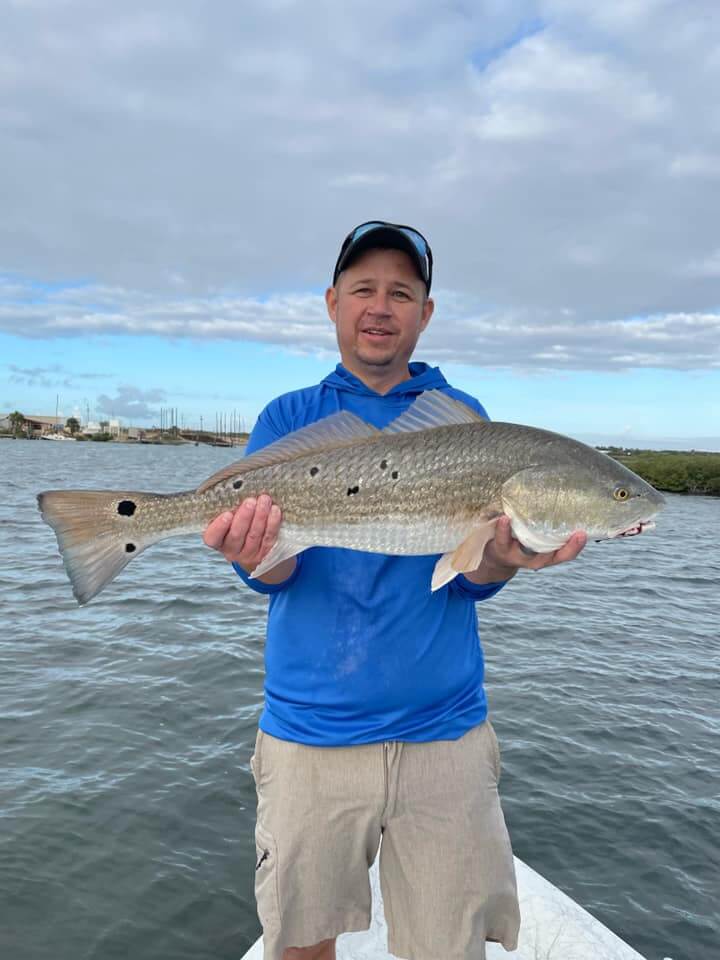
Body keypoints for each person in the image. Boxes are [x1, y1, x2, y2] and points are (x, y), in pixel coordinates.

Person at [203, 221, 586, 960]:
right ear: (332, 303)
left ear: (426, 313)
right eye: (364, 289)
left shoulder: (466, 422)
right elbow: (272, 576)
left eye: (401, 292)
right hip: (310, 734)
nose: (381, 306)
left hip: (445, 733)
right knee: (300, 942)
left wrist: (503, 557)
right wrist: (253, 554)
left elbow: (470, 580)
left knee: (448, 947)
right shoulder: (288, 418)